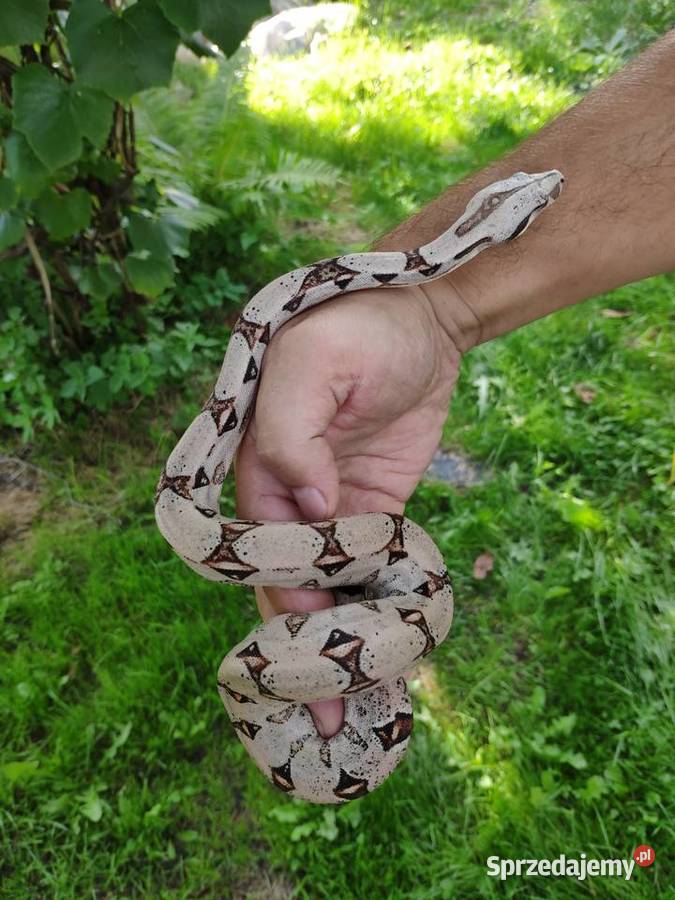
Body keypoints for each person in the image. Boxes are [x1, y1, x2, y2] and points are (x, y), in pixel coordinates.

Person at [234, 29, 675, 739]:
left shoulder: (405, 270)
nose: (546, 192)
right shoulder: (421, 274)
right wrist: (432, 310)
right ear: (498, 225)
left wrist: (432, 306)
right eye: (529, 205)